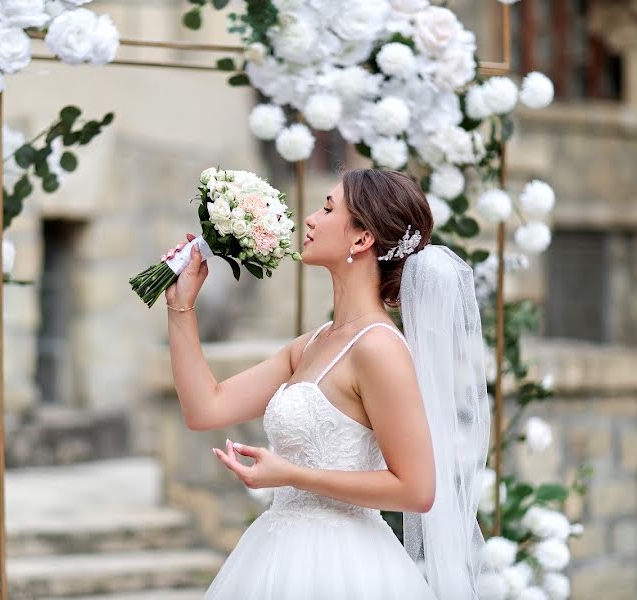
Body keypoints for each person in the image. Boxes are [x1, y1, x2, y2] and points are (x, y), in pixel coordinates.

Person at [163, 168, 491, 599]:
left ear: (361, 239)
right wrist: (180, 307)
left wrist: (293, 474)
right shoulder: (312, 344)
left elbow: (417, 489)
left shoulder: (378, 349)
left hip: (344, 566)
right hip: (277, 552)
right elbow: (206, 408)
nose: (312, 219)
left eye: (329, 208)